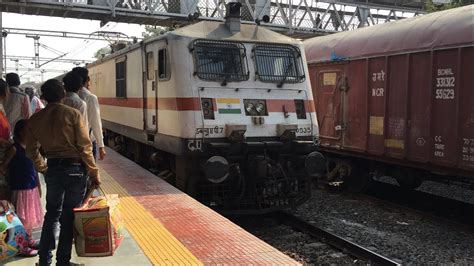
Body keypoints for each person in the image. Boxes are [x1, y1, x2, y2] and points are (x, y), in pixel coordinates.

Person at [25, 79, 100, 266]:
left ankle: (44, 260)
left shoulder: (35, 119)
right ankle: (63, 261)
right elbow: (85, 147)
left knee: (51, 214)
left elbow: (31, 150)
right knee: (68, 216)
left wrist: (43, 167)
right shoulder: (73, 114)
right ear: (63, 94)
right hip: (75, 169)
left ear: (43, 96)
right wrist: (94, 172)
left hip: (53, 169)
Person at [6, 119, 43, 256]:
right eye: (29, 130)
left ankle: (29, 239)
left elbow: (34, 169)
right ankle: (21, 246)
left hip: (31, 187)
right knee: (22, 218)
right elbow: (4, 166)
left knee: (29, 216)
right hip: (20, 189)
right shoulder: (15, 149)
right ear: (21, 132)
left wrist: (38, 185)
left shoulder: (30, 148)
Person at [73, 67, 106, 161]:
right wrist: (101, 146)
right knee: (88, 172)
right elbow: (96, 123)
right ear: (87, 80)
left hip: (69, 143)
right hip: (87, 142)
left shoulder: (65, 98)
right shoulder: (91, 97)